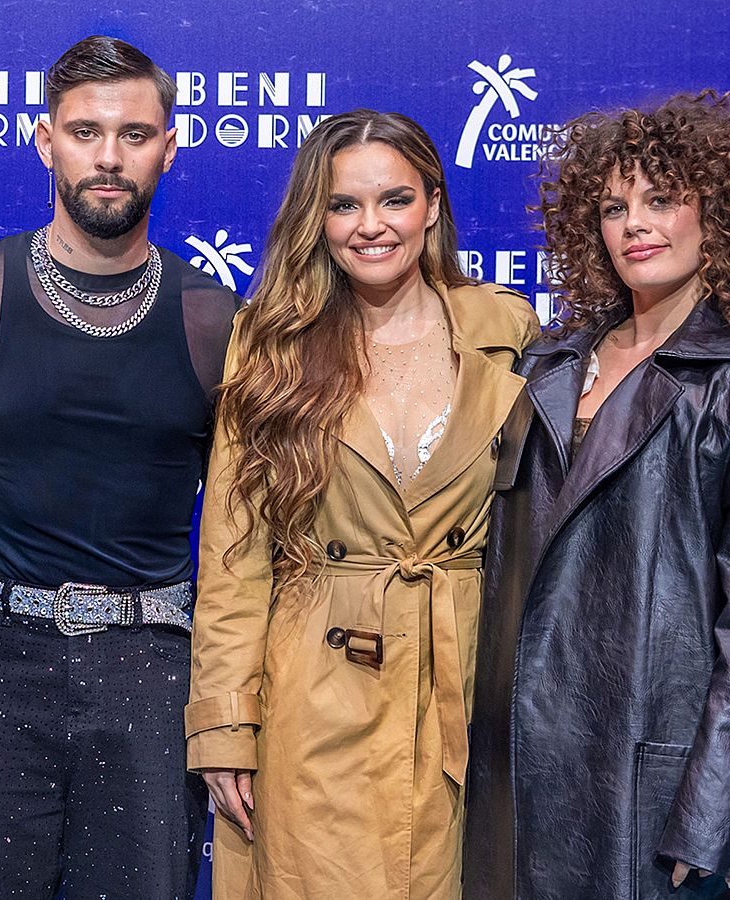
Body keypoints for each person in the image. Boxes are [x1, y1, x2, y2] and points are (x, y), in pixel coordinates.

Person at [464, 90, 730, 900]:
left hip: (651, 804)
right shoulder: (545, 370)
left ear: (719, 215)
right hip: (517, 790)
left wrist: (708, 820)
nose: (634, 223)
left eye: (662, 200)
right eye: (613, 207)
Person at [0, 35, 237, 900]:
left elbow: (247, 539)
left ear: (170, 147)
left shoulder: (218, 322)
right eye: (86, 132)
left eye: (134, 134)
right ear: (45, 140)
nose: (109, 156)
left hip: (152, 672)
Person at [186, 109, 540, 898]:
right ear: (317, 218)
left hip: (467, 684)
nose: (370, 225)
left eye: (395, 200)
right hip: (316, 687)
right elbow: (235, 553)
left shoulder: (508, 329)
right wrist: (225, 723)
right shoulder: (271, 342)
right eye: (344, 204)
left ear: (433, 204)